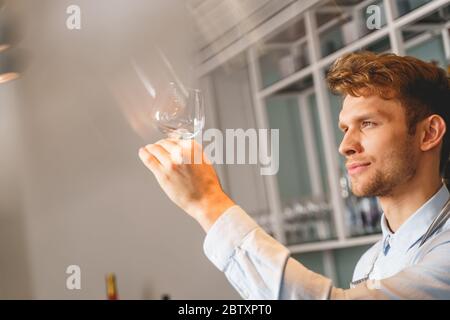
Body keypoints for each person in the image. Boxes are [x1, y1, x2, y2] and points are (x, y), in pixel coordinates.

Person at [138, 52, 450, 299]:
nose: (346, 146)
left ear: (428, 133)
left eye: (368, 124)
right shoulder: (368, 264)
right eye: (345, 128)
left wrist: (207, 202)